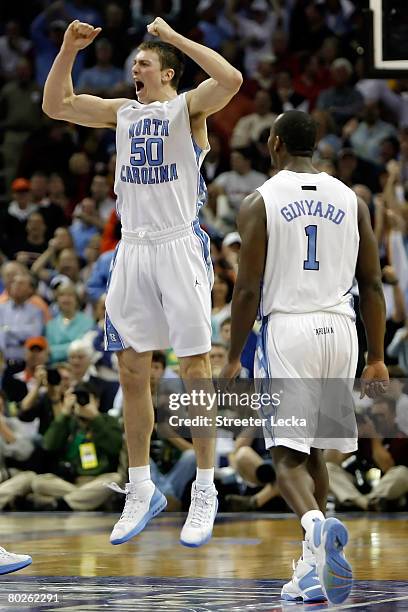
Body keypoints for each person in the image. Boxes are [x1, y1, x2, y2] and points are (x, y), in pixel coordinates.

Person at [42, 18, 242, 548]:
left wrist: (173, 38)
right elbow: (55, 105)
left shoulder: (187, 108)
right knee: (132, 367)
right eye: (134, 62)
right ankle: (140, 486)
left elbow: (232, 80)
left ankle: (204, 486)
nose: (135, 68)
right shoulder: (122, 113)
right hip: (132, 247)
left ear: (168, 73)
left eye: (144, 62)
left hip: (179, 245)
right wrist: (66, 50)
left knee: (195, 366)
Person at [222, 110, 388, 604]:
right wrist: (376, 356)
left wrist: (234, 356)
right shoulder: (351, 199)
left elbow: (248, 288)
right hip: (341, 329)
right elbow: (375, 282)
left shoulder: (260, 201)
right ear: (315, 145)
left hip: (289, 328)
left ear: (273, 144)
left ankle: (315, 526)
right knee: (314, 449)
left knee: (283, 453)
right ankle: (314, 570)